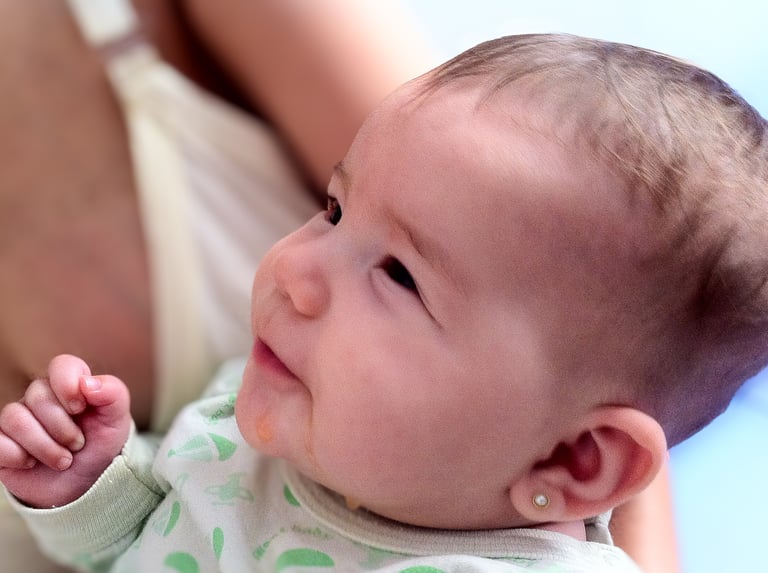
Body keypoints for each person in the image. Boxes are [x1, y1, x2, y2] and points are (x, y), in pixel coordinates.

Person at [1, 33, 764, 572]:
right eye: (335, 210)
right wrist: (92, 489)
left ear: (574, 458)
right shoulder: (251, 425)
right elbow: (144, 541)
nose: (298, 270)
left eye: (399, 274)